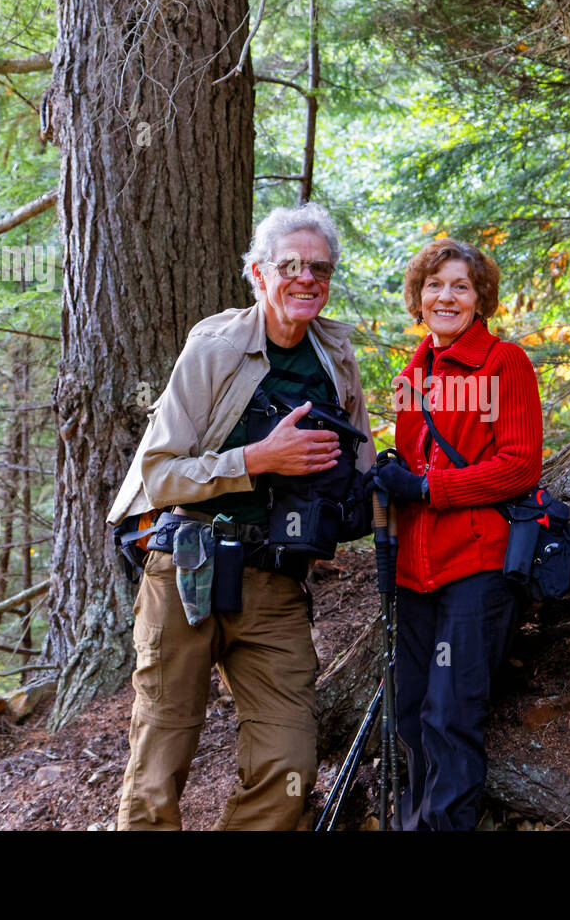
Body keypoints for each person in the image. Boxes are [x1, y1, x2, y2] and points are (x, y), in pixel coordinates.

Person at [107, 202, 374, 830]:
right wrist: (258, 459)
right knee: (159, 765)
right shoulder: (217, 347)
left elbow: (356, 474)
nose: (307, 279)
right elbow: (159, 474)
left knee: (289, 766)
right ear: (258, 274)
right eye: (291, 266)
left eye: (320, 269)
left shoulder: (336, 358)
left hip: (277, 584)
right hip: (187, 570)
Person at [367, 238, 543, 830]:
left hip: (477, 567)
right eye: (435, 285)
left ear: (479, 299)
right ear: (419, 297)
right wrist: (393, 481)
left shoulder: (505, 363)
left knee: (450, 714)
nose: (446, 296)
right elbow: (414, 467)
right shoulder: (410, 375)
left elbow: (520, 465)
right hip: (413, 571)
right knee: (412, 713)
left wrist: (427, 489)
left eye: (460, 286)